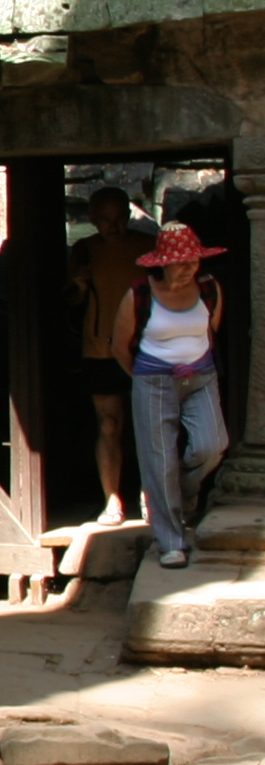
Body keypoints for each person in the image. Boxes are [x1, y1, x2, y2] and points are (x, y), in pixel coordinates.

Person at [112, 223, 232, 567]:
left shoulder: (209, 289)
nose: (189, 267)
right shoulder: (140, 293)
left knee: (213, 445)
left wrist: (192, 363)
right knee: (158, 459)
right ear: (162, 263)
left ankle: (182, 490)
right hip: (154, 382)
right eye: (181, 262)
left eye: (193, 261)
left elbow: (210, 331)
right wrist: (150, 376)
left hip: (201, 377)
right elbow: (120, 346)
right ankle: (171, 542)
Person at [69, 186, 157, 524]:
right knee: (108, 425)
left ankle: (149, 496)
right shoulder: (84, 250)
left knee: (150, 426)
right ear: (92, 220)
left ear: (129, 215)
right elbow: (71, 304)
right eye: (105, 220)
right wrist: (78, 285)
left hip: (145, 348)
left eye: (119, 218)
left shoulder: (148, 247)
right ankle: (113, 501)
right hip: (100, 348)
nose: (113, 226)